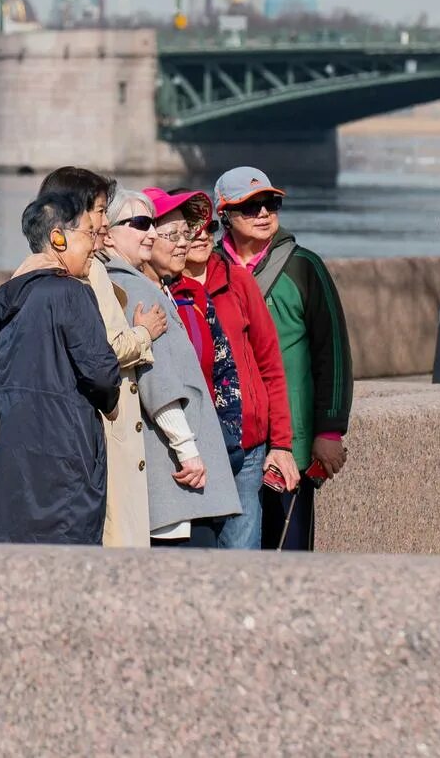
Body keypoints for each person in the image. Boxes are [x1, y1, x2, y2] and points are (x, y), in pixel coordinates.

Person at [20, 167, 166, 547]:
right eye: (100, 211)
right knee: (115, 534)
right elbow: (106, 348)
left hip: (56, 428)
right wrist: (144, 334)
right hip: (99, 423)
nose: (104, 221)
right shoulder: (88, 271)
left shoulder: (33, 269)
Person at [0, 190, 122, 545]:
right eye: (88, 232)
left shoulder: (7, 300)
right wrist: (111, 400)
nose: (95, 244)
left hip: (8, 460)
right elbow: (102, 374)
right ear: (58, 237)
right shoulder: (71, 293)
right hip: (65, 461)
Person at [213, 166, 354, 551]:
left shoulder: (303, 266)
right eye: (250, 206)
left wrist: (329, 431)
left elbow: (334, 354)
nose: (263, 213)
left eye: (270, 203)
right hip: (228, 441)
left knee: (286, 555)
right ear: (223, 215)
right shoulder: (208, 270)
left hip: (292, 443)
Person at [105, 187, 241, 546]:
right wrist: (188, 451)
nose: (150, 233)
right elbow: (160, 383)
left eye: (153, 224)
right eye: (141, 224)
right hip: (178, 479)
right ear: (106, 231)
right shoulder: (138, 291)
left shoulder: (150, 288)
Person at [181, 194, 297, 549]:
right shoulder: (163, 289)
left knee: (241, 555)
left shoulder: (238, 282)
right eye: (191, 229)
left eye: (209, 228)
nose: (202, 236)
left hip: (247, 446)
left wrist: (281, 444)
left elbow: (270, 365)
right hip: (191, 447)